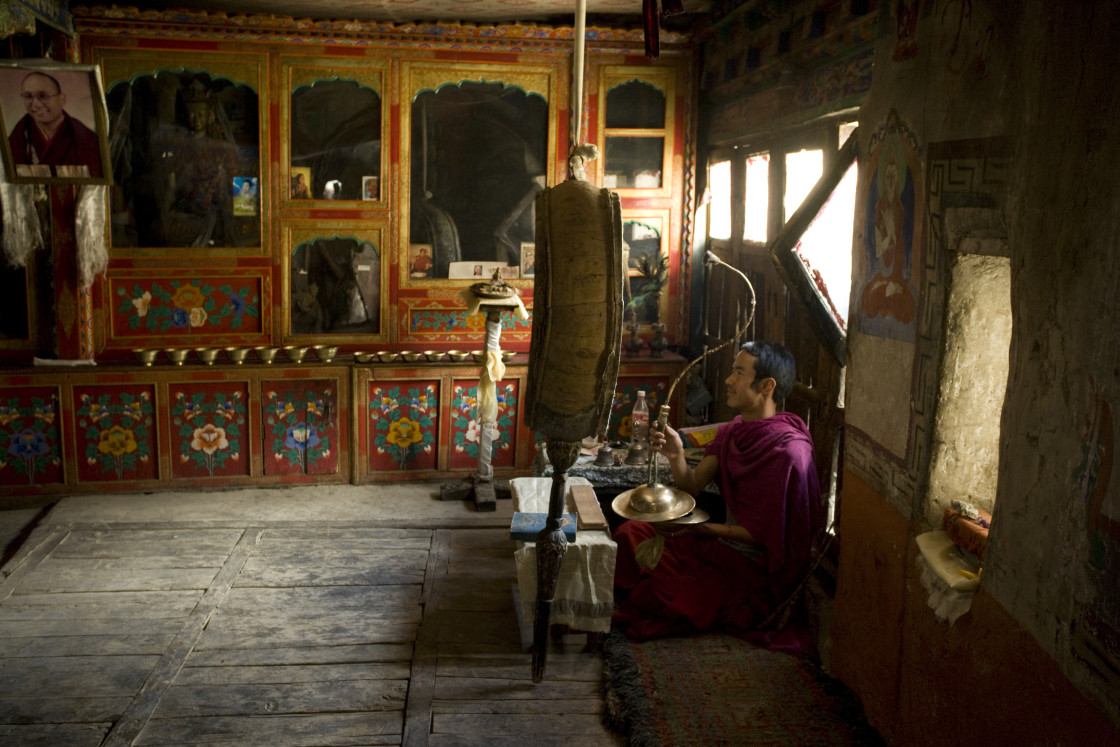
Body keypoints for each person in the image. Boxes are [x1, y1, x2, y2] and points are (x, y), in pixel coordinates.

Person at [612, 340, 823, 640]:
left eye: (739, 373)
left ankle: (654, 587)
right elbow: (692, 486)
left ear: (767, 386)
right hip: (715, 545)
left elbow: (765, 537)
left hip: (751, 566)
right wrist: (676, 455)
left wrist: (702, 530)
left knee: (661, 592)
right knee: (629, 534)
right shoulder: (733, 431)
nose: (728, 380)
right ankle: (655, 583)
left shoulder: (788, 452)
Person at [8, 71, 103, 178]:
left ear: (62, 99)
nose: (35, 105)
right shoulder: (17, 139)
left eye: (43, 96)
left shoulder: (87, 140)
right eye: (28, 96)